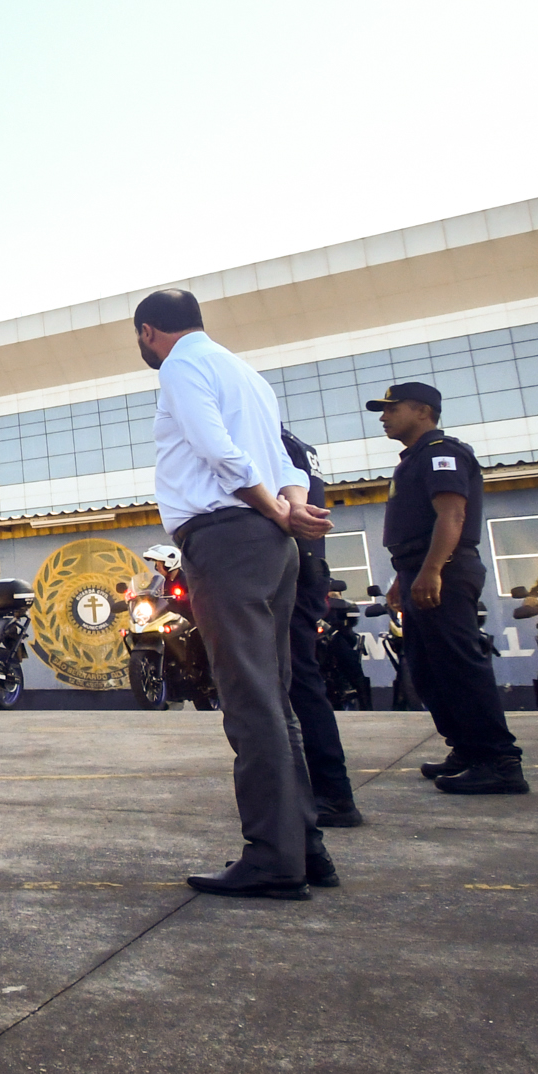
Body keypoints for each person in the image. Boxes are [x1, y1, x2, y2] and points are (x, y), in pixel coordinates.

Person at [134, 289, 334, 900]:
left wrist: (272, 506)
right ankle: (305, 847)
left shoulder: (182, 367)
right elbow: (288, 461)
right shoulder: (244, 372)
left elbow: (214, 447)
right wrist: (291, 507)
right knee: (275, 698)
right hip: (272, 544)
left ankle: (274, 859)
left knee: (248, 701)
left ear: (147, 332)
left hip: (227, 536)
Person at [369, 382, 526, 793]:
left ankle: (499, 761)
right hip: (420, 570)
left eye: (391, 408)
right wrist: (403, 579)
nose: (383, 417)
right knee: (428, 670)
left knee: (460, 667)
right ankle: (467, 749)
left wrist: (432, 570)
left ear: (423, 411)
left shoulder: (442, 452)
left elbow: (452, 516)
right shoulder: (414, 459)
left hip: (447, 571)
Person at [280, 428, 361, 828]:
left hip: (291, 574)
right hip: (306, 571)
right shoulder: (297, 443)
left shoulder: (271, 440)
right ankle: (324, 789)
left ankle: (332, 792)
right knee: (298, 681)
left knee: (298, 683)